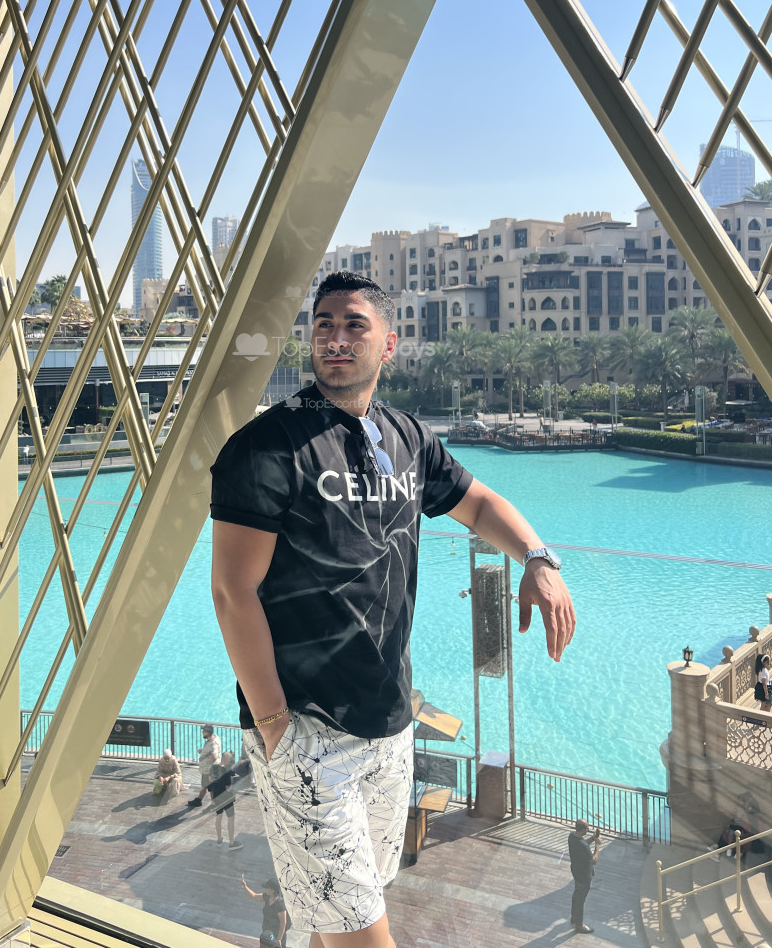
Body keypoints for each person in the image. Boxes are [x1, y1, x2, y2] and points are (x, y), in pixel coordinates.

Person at [211, 271, 576, 948]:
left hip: (390, 726)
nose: (336, 338)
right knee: (361, 935)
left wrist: (537, 558)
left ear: (389, 344)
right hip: (307, 731)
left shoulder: (406, 437)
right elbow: (233, 591)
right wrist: (274, 725)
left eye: (355, 325)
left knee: (340, 923)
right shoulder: (267, 446)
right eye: (324, 324)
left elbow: (478, 504)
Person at [568, 819, 601, 934]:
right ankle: (579, 925)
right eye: (587, 828)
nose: (588, 829)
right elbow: (594, 860)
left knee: (577, 894)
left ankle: (574, 917)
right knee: (581, 899)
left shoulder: (572, 836)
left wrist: (592, 838)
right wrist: (597, 844)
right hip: (584, 875)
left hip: (576, 871)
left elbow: (583, 844)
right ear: (582, 830)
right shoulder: (583, 846)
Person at [208, 750, 243, 850]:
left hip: (216, 797)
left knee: (218, 816)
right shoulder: (226, 771)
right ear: (227, 760)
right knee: (230, 819)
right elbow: (228, 788)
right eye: (231, 759)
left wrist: (212, 798)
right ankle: (231, 843)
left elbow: (210, 784)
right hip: (226, 798)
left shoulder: (213, 768)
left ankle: (219, 839)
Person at [242, 875, 290, 947]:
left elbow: (283, 923)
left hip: (277, 935)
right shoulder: (267, 897)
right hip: (267, 933)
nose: (266, 889)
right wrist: (245, 887)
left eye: (267, 888)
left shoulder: (280, 904)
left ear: (273, 890)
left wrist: (279, 939)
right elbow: (254, 896)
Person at [187, 723, 221, 808]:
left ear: (207, 732)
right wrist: (203, 751)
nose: (202, 733)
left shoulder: (214, 743)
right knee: (205, 785)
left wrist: (209, 765)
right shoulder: (211, 739)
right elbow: (210, 752)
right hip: (206, 770)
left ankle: (214, 804)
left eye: (204, 732)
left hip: (209, 770)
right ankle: (199, 800)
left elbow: (215, 756)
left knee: (211, 788)